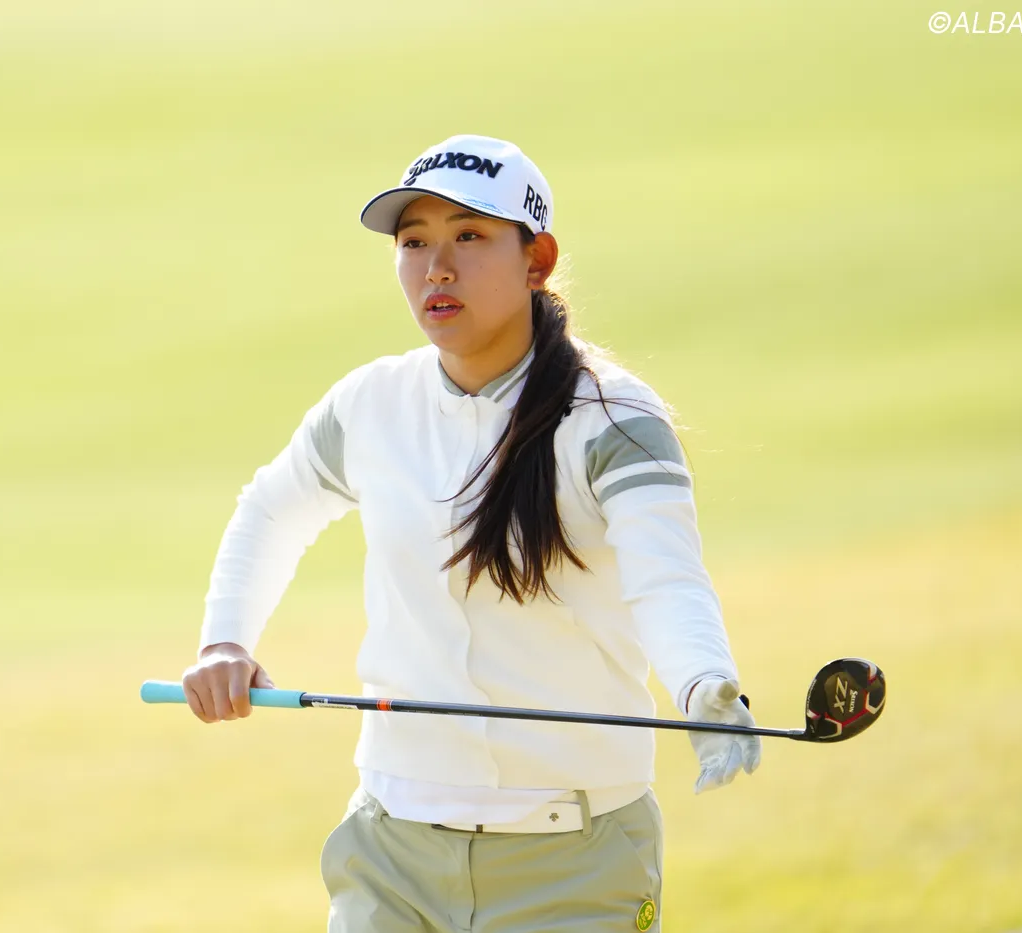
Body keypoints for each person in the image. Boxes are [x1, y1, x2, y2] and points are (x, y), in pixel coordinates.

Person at [179, 134, 761, 933]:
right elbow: (271, 510)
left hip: (575, 856)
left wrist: (705, 686)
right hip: (392, 850)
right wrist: (225, 640)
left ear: (537, 260)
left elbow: (666, 581)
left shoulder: (615, 419)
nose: (437, 268)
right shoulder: (370, 403)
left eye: (470, 236)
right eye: (414, 243)